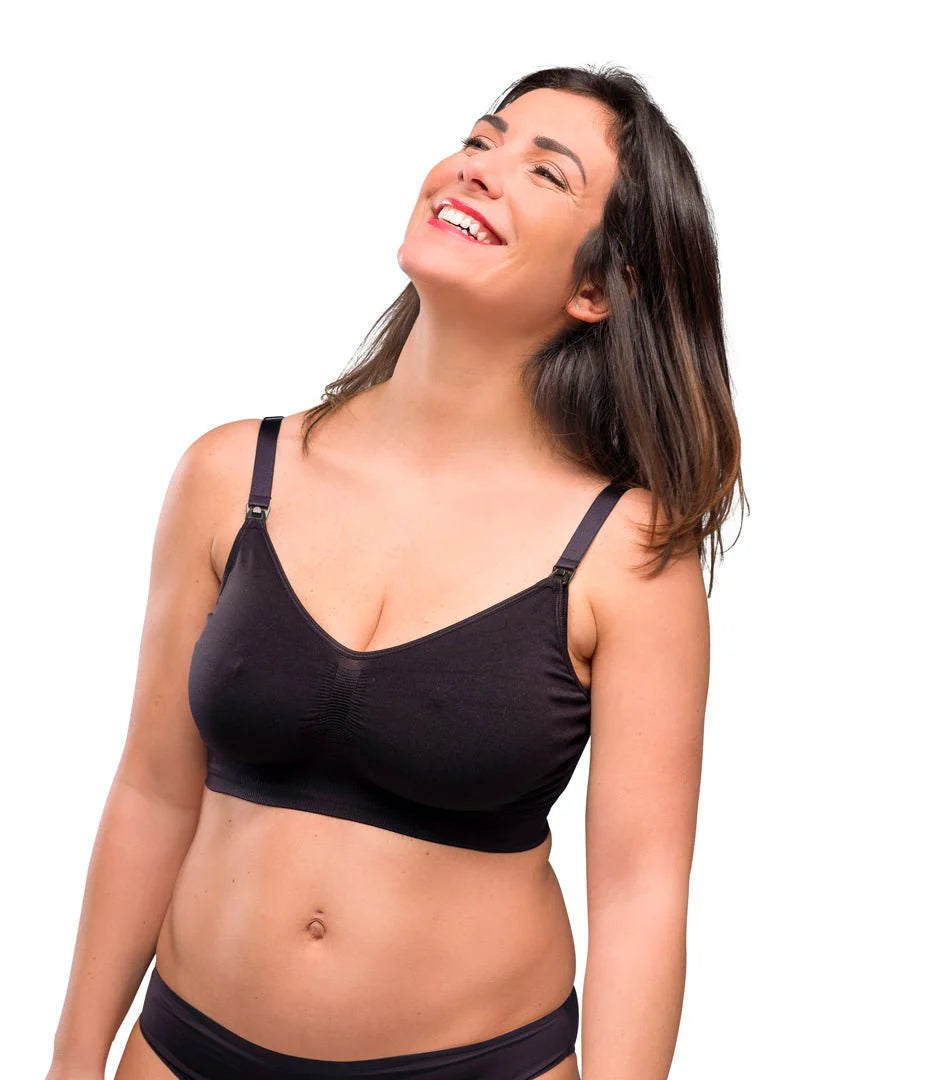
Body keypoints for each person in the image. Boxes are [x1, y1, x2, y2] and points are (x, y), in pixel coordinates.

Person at [46, 64, 744, 1080]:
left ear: (596, 288)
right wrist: (74, 1057)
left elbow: (641, 896)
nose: (480, 169)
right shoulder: (231, 475)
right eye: (481, 140)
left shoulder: (625, 555)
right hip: (184, 1051)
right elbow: (153, 793)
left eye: (545, 172)